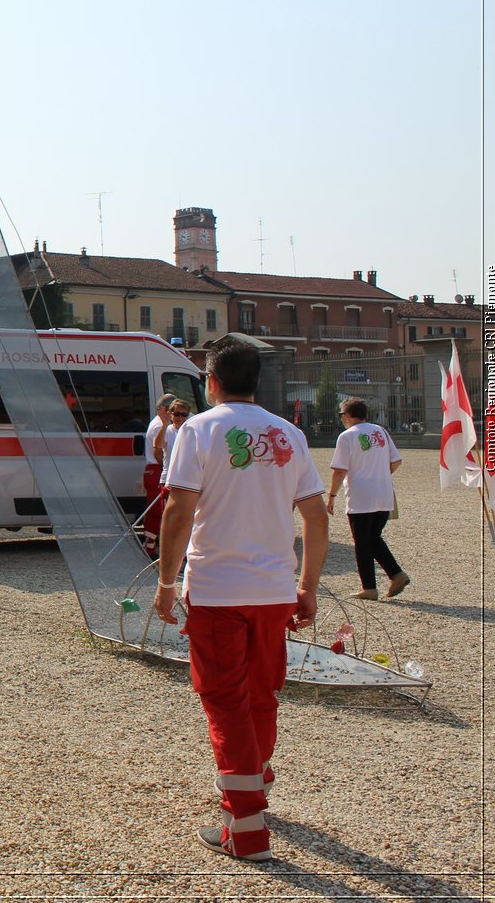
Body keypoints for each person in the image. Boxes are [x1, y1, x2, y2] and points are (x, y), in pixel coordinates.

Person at [155, 337, 328, 863]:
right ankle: (256, 776)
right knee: (260, 694)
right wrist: (308, 587)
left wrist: (165, 583)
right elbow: (316, 518)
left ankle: (246, 825)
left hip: (218, 588)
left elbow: (179, 511)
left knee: (225, 699)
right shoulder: (290, 434)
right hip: (274, 588)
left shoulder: (198, 430)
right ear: (258, 381)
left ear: (210, 382)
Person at [327, 397, 408, 601]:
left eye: (341, 415)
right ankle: (397, 574)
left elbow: (339, 470)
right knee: (373, 538)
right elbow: (396, 461)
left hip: (361, 496)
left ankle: (369, 588)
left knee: (362, 542)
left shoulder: (346, 437)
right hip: (383, 492)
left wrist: (331, 496)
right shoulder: (380, 431)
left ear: (347, 415)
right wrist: (380, 474)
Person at [139, 394, 176, 556]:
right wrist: (170, 467)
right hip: (156, 469)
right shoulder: (158, 425)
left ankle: (152, 545)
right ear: (163, 409)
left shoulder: (161, 424)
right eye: (172, 410)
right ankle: (149, 547)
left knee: (158, 510)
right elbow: (159, 453)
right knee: (156, 511)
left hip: (155, 470)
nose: (174, 414)